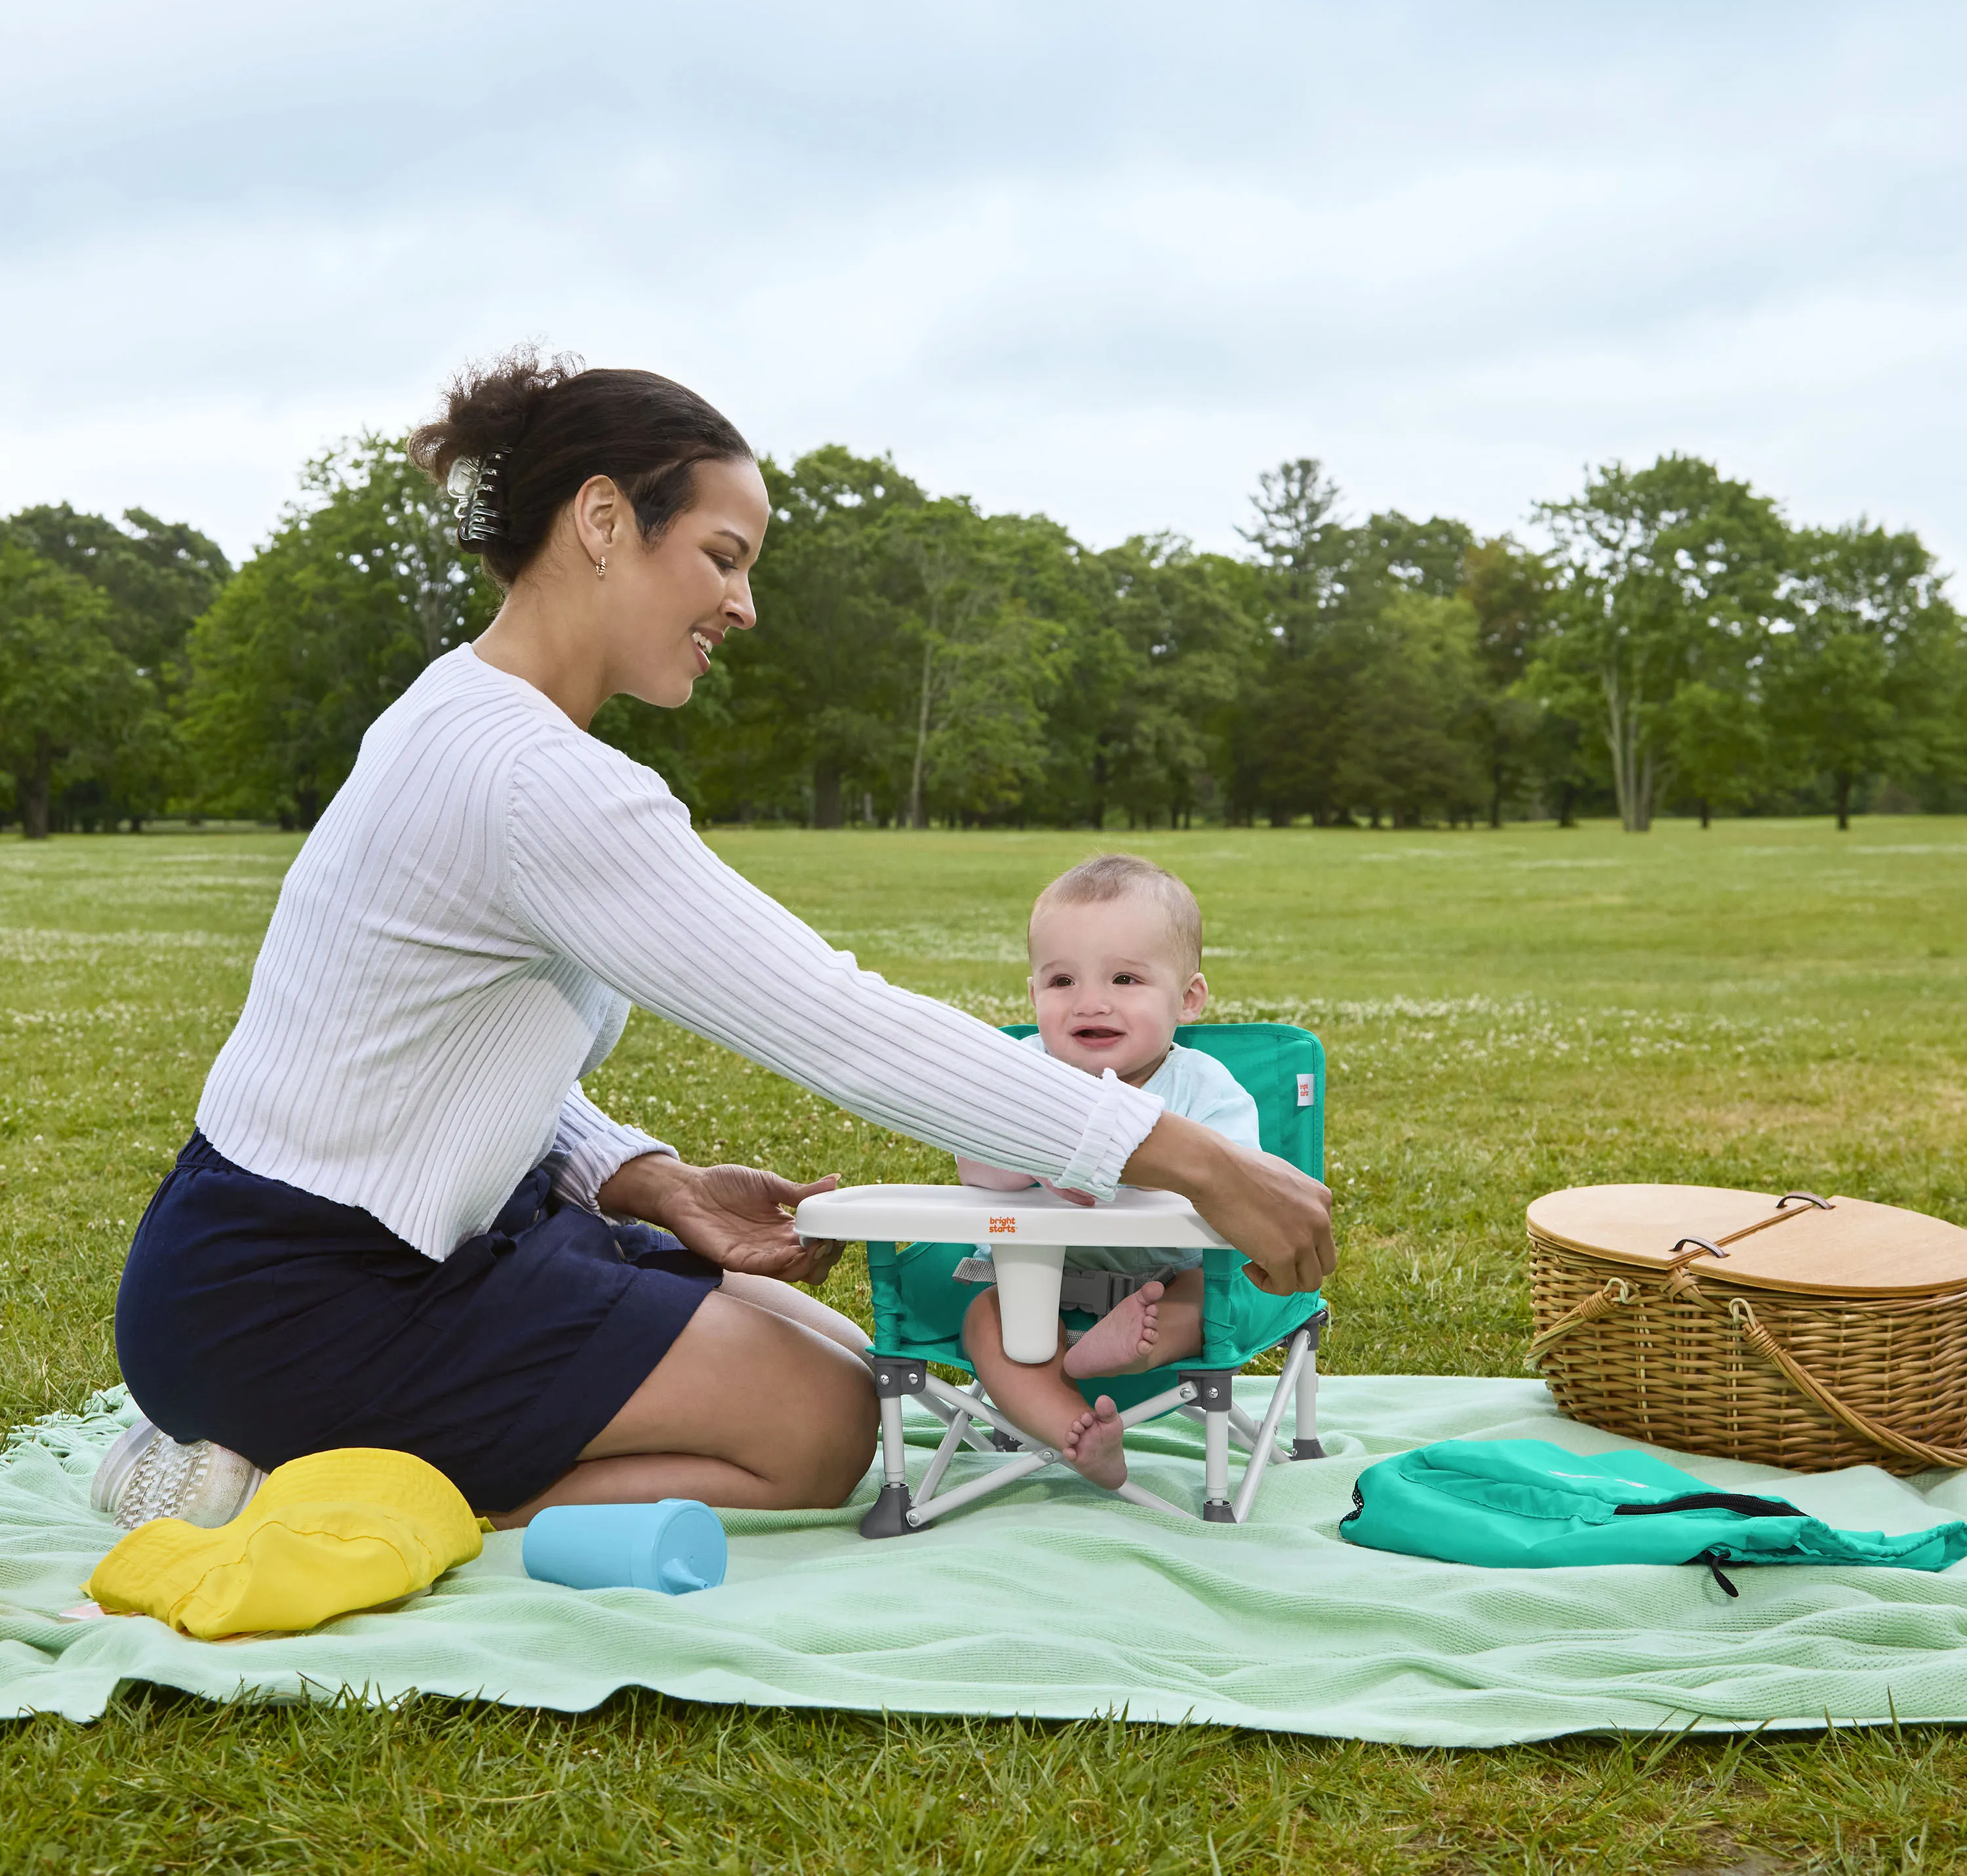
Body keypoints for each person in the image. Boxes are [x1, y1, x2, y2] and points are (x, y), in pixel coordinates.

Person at [106, 351, 1336, 1533]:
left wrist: (649, 1180)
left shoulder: (469, 721)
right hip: (294, 1296)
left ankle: (333, 1449)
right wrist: (1199, 1164)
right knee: (818, 1436)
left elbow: (439, 1052)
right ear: (601, 522)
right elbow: (839, 1024)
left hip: (412, 1249)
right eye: (722, 557)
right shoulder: (532, 777)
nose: (745, 606)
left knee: (839, 1359)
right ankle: (283, 1484)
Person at [955, 855, 1258, 1488]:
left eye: (1124, 978)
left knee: (1210, 1301)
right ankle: (1078, 1431)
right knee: (988, 1319)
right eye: (1062, 981)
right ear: (1033, 994)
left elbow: (1238, 1186)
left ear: (1189, 998)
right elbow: (972, 1163)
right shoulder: (1022, 1072)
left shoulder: (1204, 1088)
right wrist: (1035, 1162)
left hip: (1166, 1275)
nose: (1092, 1002)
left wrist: (1129, 1159)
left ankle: (1128, 1347)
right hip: (1037, 1277)